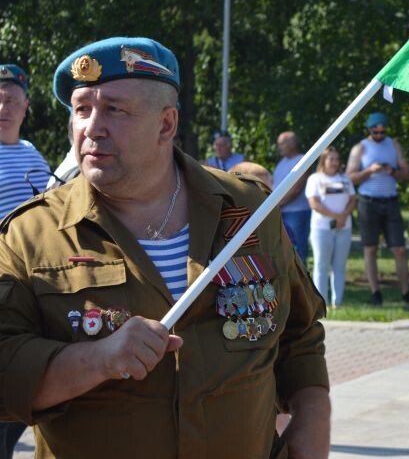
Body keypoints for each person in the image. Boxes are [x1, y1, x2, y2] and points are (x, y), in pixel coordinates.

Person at [0, 37, 331, 458]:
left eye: (114, 110)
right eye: (82, 109)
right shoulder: (31, 234)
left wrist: (313, 419)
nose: (91, 127)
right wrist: (98, 359)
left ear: (166, 124)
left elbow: (299, 334)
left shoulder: (247, 209)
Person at [0, 64, 49, 457]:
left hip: (34, 280)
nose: (4, 106)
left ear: (26, 106)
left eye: (12, 99)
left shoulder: (33, 153)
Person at [346, 112, 409, 306]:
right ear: (369, 130)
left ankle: (406, 292)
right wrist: (369, 171)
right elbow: (349, 177)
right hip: (368, 201)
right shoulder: (360, 148)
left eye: (383, 132)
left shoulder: (394, 145)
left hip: (390, 200)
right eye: (376, 132)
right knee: (370, 248)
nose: (379, 135)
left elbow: (407, 173)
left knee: (399, 248)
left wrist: (392, 171)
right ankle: (375, 292)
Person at [306, 146, 357, 309]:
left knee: (339, 266)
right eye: (331, 159)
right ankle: (321, 302)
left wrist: (344, 216)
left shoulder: (345, 178)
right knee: (321, 265)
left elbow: (353, 199)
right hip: (322, 228)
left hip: (344, 227)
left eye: (337, 159)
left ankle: (338, 302)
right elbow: (314, 203)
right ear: (324, 160)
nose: (335, 162)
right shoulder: (315, 179)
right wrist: (336, 216)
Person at [274, 131, 312, 263]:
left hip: (297, 214)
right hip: (280, 212)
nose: (279, 147)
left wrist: (276, 204)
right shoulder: (281, 162)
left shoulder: (302, 160)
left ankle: (301, 282)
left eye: (281, 144)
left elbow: (296, 189)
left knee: (298, 251)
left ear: (292, 144)